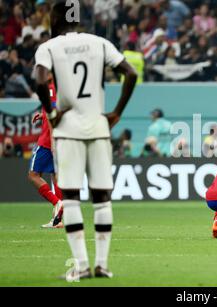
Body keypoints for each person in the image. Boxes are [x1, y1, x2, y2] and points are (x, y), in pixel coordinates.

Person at [34, 2, 137, 280]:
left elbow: (39, 79)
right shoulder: (99, 42)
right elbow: (131, 73)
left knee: (70, 198)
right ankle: (102, 265)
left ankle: (80, 267)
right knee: (102, 198)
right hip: (98, 128)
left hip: (68, 131)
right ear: (78, 19)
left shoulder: (49, 47)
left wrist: (52, 113)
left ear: (55, 19)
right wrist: (116, 112)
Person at [29, 77, 64, 228]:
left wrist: (52, 139)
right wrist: (42, 115)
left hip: (47, 142)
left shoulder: (50, 88)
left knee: (33, 175)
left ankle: (57, 202)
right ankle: (58, 220)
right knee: (55, 176)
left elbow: (52, 116)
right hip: (58, 139)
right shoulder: (61, 87)